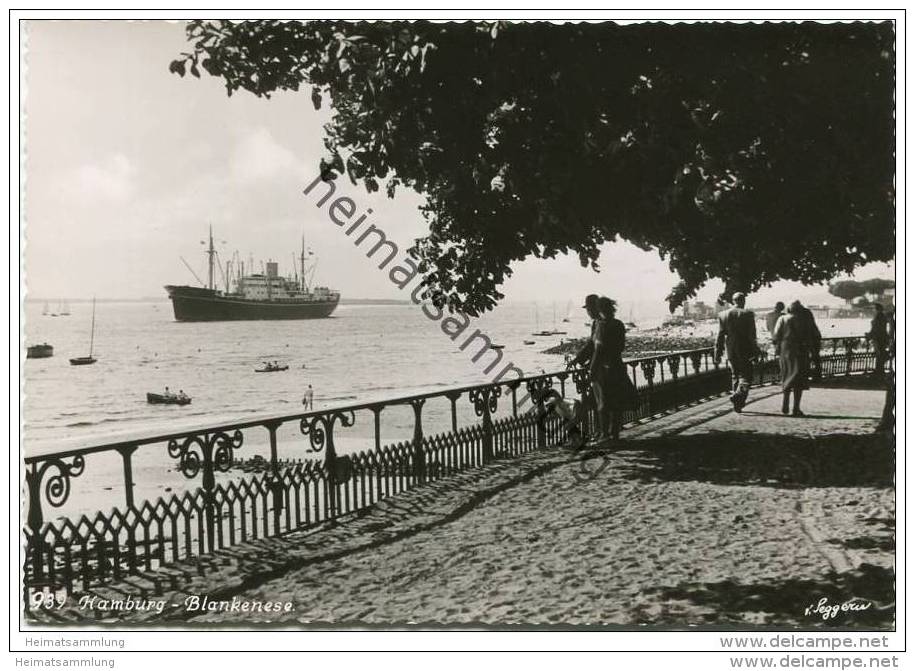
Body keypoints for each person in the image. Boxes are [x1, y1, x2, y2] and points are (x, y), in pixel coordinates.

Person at [595, 295, 638, 440]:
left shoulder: (601, 325)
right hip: (618, 365)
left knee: (604, 402)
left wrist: (592, 368)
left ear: (600, 309)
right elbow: (621, 346)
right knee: (617, 401)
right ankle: (615, 432)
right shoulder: (619, 324)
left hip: (605, 367)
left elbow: (598, 349)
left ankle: (604, 433)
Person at [570, 294, 608, 443]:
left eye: (589, 309)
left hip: (601, 368)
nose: (588, 312)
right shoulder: (596, 323)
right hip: (600, 366)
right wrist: (578, 359)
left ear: (594, 308)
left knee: (601, 401)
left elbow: (594, 346)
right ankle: (602, 432)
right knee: (599, 401)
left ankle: (603, 433)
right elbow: (590, 345)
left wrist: (584, 361)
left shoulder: (601, 324)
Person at [772, 300, 820, 416]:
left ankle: (785, 403)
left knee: (786, 375)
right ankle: (796, 408)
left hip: (786, 350)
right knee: (799, 379)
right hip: (801, 350)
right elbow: (815, 335)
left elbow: (776, 336)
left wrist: (778, 347)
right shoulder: (805, 320)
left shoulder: (782, 319)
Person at [714, 292, 759, 412]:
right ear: (743, 301)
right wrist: (755, 351)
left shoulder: (723, 314)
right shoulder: (748, 314)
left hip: (731, 349)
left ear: (733, 301)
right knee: (746, 376)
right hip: (745, 348)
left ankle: (737, 405)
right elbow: (752, 335)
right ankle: (738, 396)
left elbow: (720, 336)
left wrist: (717, 353)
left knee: (735, 375)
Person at [867, 303, 889, 377]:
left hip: (878, 338)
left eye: (874, 308)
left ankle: (879, 372)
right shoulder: (882, 316)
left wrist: (869, 335)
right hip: (883, 338)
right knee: (880, 354)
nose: (873, 310)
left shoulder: (878, 317)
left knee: (879, 355)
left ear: (877, 309)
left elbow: (876, 329)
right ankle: (880, 371)